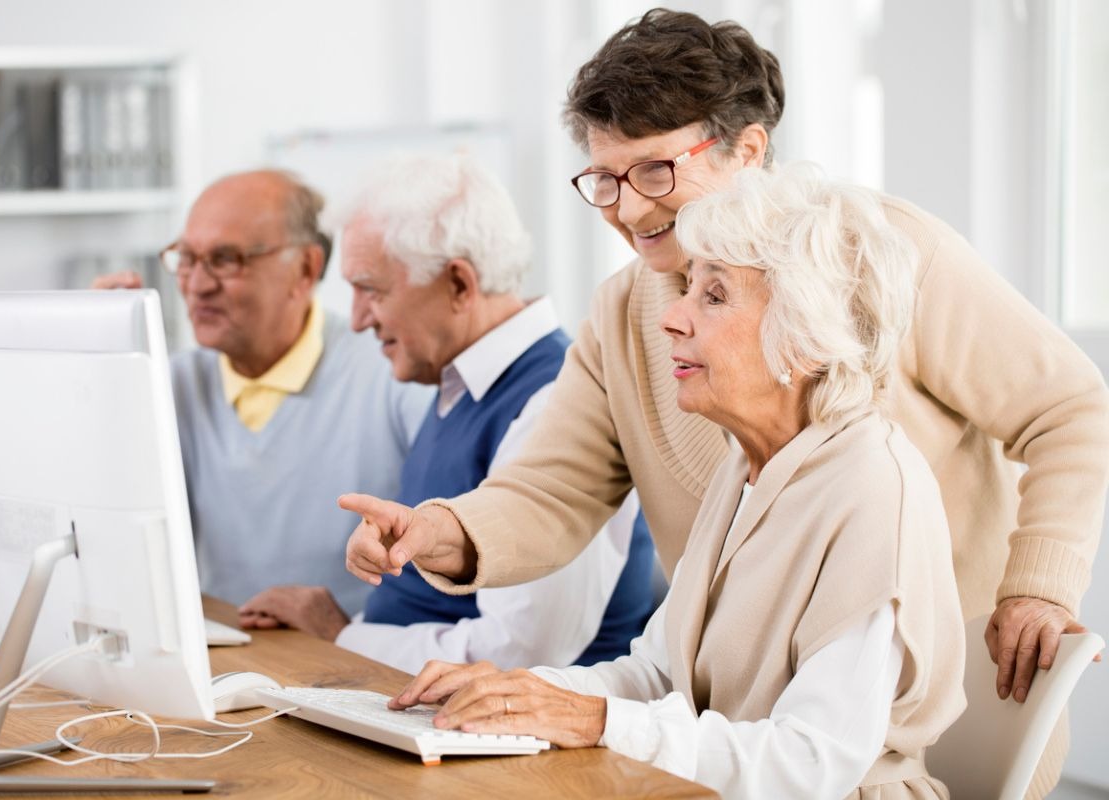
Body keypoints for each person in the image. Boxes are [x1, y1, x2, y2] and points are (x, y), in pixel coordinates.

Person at [341, 10, 1108, 792]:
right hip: (730, 740)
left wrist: (1038, 586)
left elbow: (1069, 407)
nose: (629, 209)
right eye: (604, 177)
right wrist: (440, 529)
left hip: (914, 720)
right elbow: (551, 490)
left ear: (750, 149)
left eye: (654, 170)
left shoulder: (887, 261)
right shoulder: (630, 327)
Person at [383, 165, 965, 797]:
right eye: (687, 288)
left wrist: (598, 721)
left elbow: (811, 763)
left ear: (808, 337)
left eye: (713, 297)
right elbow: (659, 675)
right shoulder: (748, 466)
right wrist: (520, 692)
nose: (671, 318)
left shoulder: (874, 487)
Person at [238, 154, 654, 672]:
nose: (360, 318)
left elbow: (516, 654)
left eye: (371, 289)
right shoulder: (458, 384)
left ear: (459, 284)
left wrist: (340, 635)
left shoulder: (553, 400)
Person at [94, 170, 431, 612]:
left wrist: (353, 636)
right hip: (222, 656)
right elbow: (103, 531)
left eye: (227, 259)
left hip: (355, 661)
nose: (197, 285)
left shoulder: (392, 370)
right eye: (188, 258)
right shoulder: (169, 382)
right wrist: (98, 376)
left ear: (306, 269)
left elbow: (448, 554)